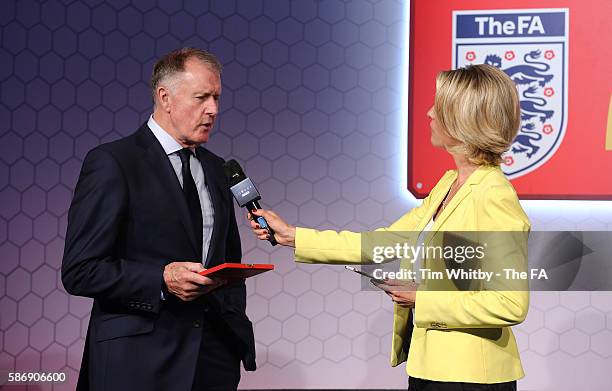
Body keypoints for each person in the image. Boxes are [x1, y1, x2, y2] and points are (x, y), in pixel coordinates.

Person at [249, 64, 529, 391]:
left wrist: (422, 299)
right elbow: (382, 244)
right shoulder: (450, 183)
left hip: (470, 378)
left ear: (462, 118)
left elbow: (509, 303)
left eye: (438, 107)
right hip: (432, 369)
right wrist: (293, 236)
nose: (429, 113)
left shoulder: (494, 197)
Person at [62, 48, 255, 391]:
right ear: (165, 97)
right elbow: (81, 270)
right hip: (137, 362)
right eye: (201, 97)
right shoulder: (113, 162)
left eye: (216, 97)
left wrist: (231, 329)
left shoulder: (216, 167)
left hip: (212, 363)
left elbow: (229, 263)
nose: (213, 109)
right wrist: (161, 279)